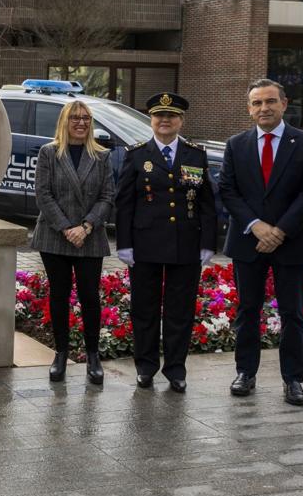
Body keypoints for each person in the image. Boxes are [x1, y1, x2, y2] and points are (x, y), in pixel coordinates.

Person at [219, 78, 303, 406]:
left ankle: (293, 380)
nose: (264, 108)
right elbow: (228, 190)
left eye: (270, 102)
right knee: (247, 309)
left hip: (291, 242)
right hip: (249, 240)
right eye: (257, 103)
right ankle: (245, 372)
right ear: (249, 109)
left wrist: (279, 231)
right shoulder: (236, 144)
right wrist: (257, 226)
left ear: (284, 104)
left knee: (292, 312)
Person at [116, 92, 217, 392]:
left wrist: (207, 242)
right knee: (144, 310)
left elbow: (207, 203)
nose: (164, 120)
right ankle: (145, 367)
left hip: (185, 245)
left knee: (180, 311)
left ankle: (175, 369)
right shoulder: (135, 154)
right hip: (145, 244)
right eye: (159, 116)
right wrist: (124, 243)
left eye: (171, 116)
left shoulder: (195, 154)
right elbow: (124, 203)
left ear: (181, 120)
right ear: (151, 119)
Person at [29, 100, 114, 384]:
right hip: (55, 236)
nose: (80, 123)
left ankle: (92, 356)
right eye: (75, 118)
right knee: (59, 296)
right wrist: (67, 228)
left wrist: (86, 226)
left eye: (86, 118)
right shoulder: (48, 153)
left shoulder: (101, 156)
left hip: (89, 236)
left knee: (90, 297)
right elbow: (43, 194)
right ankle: (61, 353)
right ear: (64, 121)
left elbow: (107, 196)